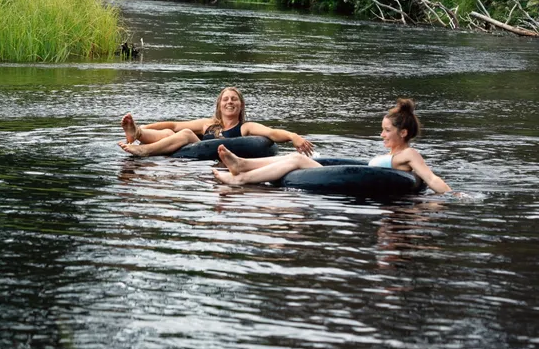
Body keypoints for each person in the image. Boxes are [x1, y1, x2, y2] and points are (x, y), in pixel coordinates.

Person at [212, 98, 452, 194]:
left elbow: (430, 178)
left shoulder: (409, 153)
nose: (381, 135)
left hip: (365, 182)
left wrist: (453, 196)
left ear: (404, 133)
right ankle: (242, 164)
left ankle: (241, 177)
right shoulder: (396, 153)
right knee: (292, 159)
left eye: (387, 131)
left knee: (295, 160)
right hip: (356, 175)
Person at [118, 87, 315, 157]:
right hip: (188, 153)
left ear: (240, 106)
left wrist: (293, 136)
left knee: (186, 134)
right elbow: (173, 125)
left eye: (234, 99)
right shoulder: (209, 124)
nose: (230, 102)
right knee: (174, 133)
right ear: (219, 105)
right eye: (226, 99)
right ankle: (138, 134)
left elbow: (271, 133)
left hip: (211, 159)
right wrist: (143, 127)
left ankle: (144, 150)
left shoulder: (245, 127)